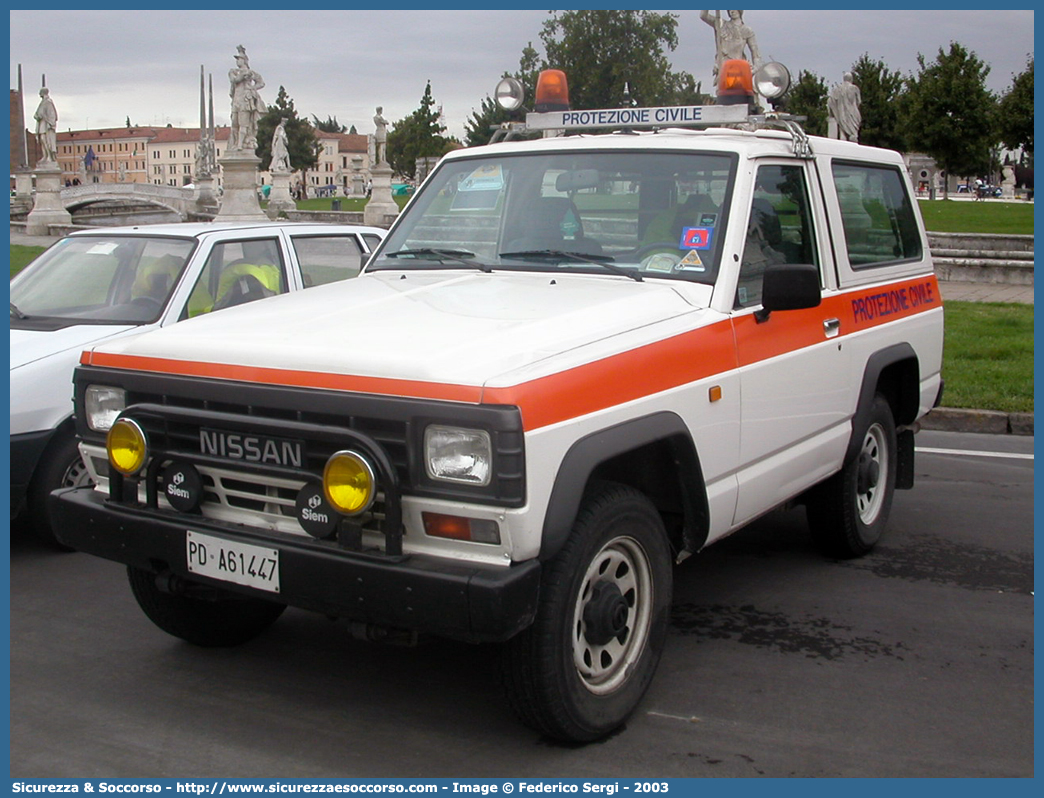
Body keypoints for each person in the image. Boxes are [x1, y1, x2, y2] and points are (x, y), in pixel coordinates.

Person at [700, 10, 761, 83]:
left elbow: (755, 53)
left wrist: (755, 68)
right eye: (730, 9)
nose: (732, 11)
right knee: (723, 91)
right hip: (723, 66)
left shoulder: (747, 30)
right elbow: (703, 16)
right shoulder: (721, 24)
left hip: (740, 68)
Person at [229, 45, 266, 152]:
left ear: (244, 60)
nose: (237, 61)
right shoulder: (233, 71)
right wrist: (242, 76)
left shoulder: (251, 73)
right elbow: (234, 80)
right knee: (234, 123)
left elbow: (261, 83)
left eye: (239, 59)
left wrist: (252, 88)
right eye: (237, 59)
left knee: (244, 123)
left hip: (245, 100)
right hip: (236, 100)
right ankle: (235, 143)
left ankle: (240, 145)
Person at [828, 72, 861, 142]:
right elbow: (859, 101)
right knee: (853, 134)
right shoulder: (854, 88)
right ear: (851, 79)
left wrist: (833, 112)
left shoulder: (837, 89)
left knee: (843, 131)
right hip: (853, 113)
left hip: (841, 114)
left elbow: (830, 101)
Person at [33, 87, 58, 165]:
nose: (39, 94)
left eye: (40, 92)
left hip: (46, 124)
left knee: (46, 140)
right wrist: (37, 116)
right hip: (42, 123)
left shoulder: (48, 102)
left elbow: (52, 114)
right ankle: (45, 155)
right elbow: (37, 113)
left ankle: (49, 156)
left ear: (43, 93)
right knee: (42, 140)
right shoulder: (42, 102)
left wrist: (51, 123)